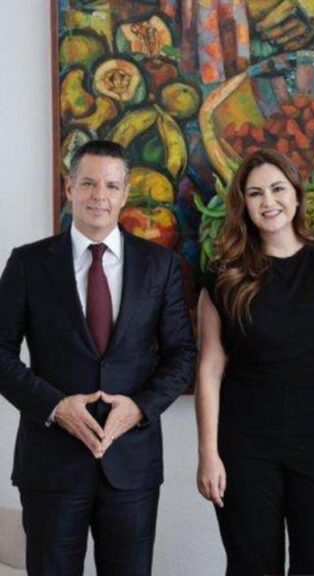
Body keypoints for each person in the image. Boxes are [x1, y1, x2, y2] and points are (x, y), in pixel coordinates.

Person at [0, 140, 196, 575]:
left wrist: (140, 408)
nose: (99, 196)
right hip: (51, 465)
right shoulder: (28, 264)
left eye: (111, 186)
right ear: (70, 188)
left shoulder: (159, 265)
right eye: (88, 183)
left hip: (132, 466)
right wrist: (55, 407)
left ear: (125, 193)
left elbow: (182, 354)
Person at [194, 149, 314, 575]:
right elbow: (209, 369)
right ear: (243, 204)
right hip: (245, 446)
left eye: (278, 188)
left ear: (297, 195)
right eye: (255, 193)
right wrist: (208, 453)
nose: (269, 201)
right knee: (252, 567)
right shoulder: (225, 274)